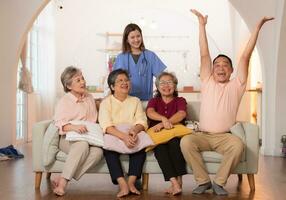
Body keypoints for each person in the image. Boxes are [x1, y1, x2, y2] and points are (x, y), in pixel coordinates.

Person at [180, 9, 274, 195]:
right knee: (186, 142)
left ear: (231, 71)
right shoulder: (207, 81)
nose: (221, 68)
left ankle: (219, 182)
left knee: (238, 145)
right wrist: (201, 25)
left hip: (225, 137)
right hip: (203, 135)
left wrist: (258, 27)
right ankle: (203, 181)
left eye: (225, 65)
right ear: (212, 69)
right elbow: (204, 54)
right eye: (217, 65)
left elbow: (245, 56)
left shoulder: (236, 85)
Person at [52, 66, 103, 196]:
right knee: (82, 145)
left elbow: (94, 120)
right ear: (69, 86)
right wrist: (74, 127)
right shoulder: (64, 101)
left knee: (98, 152)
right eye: (78, 80)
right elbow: (58, 123)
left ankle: (63, 176)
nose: (83, 82)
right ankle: (63, 183)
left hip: (88, 137)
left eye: (83, 78)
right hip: (67, 139)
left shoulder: (89, 97)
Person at [98, 69, 148, 198]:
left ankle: (131, 182)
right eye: (120, 81)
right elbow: (106, 126)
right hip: (114, 133)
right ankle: (122, 185)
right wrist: (123, 137)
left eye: (126, 80)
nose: (124, 83)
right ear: (112, 86)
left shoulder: (135, 101)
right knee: (108, 150)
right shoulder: (106, 102)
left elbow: (141, 121)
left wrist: (134, 131)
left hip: (132, 131)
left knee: (140, 147)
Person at [146, 72, 187, 195]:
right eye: (162, 83)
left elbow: (181, 114)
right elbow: (150, 112)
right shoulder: (154, 100)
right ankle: (175, 183)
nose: (166, 85)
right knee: (160, 149)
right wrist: (163, 120)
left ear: (175, 86)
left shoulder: (180, 100)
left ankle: (177, 184)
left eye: (169, 82)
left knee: (175, 145)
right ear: (157, 87)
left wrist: (164, 123)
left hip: (175, 132)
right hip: (159, 135)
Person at [113, 23, 167, 101]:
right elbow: (115, 80)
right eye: (132, 37)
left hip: (146, 100)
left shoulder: (150, 56)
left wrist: (161, 92)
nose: (136, 40)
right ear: (127, 40)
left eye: (138, 36)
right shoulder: (121, 58)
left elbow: (162, 78)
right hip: (126, 100)